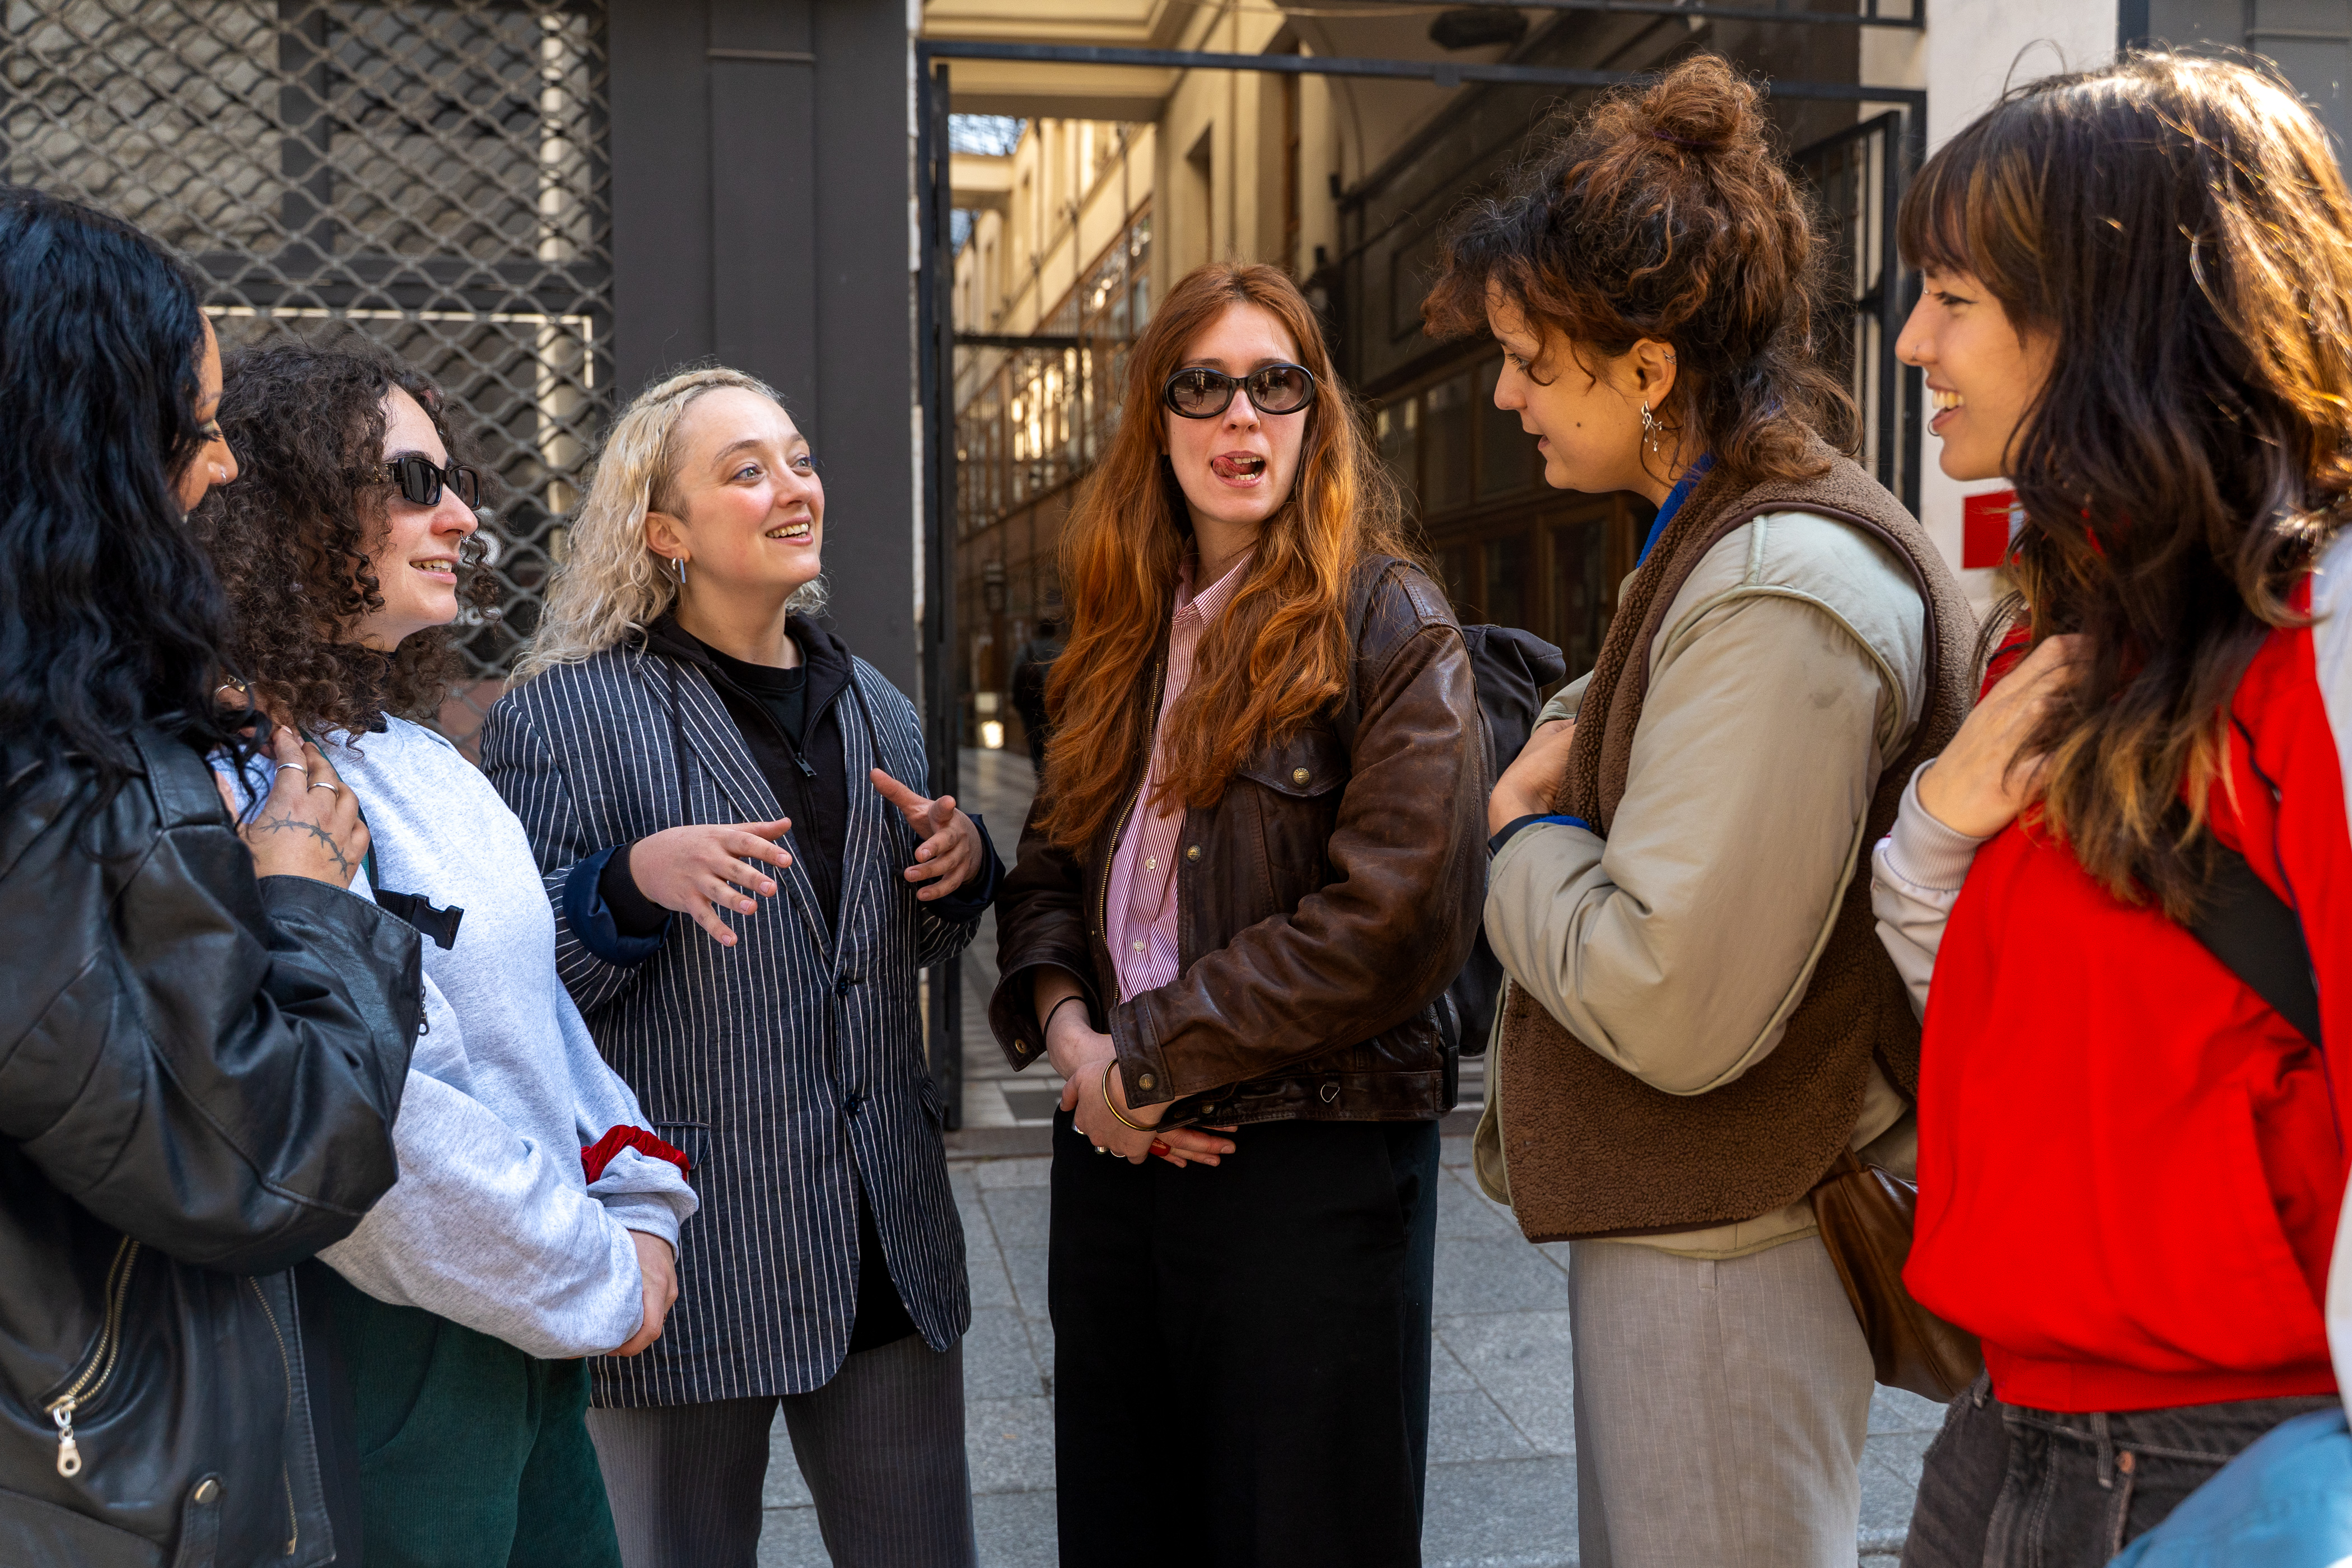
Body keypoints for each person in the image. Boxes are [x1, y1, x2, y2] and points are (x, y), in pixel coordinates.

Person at [1421, 55, 1975, 1567]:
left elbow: (1669, 997)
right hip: (1711, 1223)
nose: (1507, 394)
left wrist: (1518, 843)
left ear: (1649, 370)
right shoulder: (1730, 537)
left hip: (1735, 1246)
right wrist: (1565, 748)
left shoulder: (1778, 583)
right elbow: (1613, 708)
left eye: (1531, 360)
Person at [1868, 53, 2352, 1567]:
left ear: (2114, 312)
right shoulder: (2074, 624)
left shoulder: (2320, 642)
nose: (1912, 341)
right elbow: (2017, 1042)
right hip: (2012, 1426)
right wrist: (1936, 828)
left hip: (2236, 1456)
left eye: (1954, 296)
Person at [988, 260, 1486, 1566]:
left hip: (1301, 1161)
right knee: (1126, 1521)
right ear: (1156, 421)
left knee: (1300, 1530)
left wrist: (1146, 1062)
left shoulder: (1389, 623)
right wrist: (1082, 1048)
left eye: (1276, 384)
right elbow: (1046, 873)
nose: (1240, 417)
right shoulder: (1117, 637)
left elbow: (1391, 921)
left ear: (1317, 414)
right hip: (1116, 1159)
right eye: (1202, 387)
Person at [189, 343, 701, 1568]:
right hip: (390, 1350)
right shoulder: (245, 786)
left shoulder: (416, 758)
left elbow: (542, 1024)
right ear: (295, 505)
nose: (464, 516)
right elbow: (378, 1128)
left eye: (455, 479)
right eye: (415, 482)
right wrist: (599, 1274)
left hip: (532, 1323)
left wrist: (641, 1208)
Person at [485, 367, 1000, 1568]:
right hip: (689, 1256)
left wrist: (962, 871)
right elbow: (511, 986)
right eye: (747, 470)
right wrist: (627, 883)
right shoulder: (564, 717)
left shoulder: (877, 707)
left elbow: (895, 954)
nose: (794, 487)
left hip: (885, 1249)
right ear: (665, 531)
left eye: (800, 460)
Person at [0, 188, 422, 1566]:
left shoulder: (82, 722)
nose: (223, 466)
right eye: (197, 426)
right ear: (88, 449)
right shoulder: (61, 781)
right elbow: (265, 1158)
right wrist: (309, 899)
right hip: (99, 1483)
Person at [1009, 613, 1064, 769]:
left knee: (1035, 741)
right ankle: (1051, 772)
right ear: (1054, 632)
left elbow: (1015, 676)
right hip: (1056, 704)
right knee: (1054, 739)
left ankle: (1041, 772)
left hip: (1031, 703)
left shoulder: (1026, 650)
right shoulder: (1061, 651)